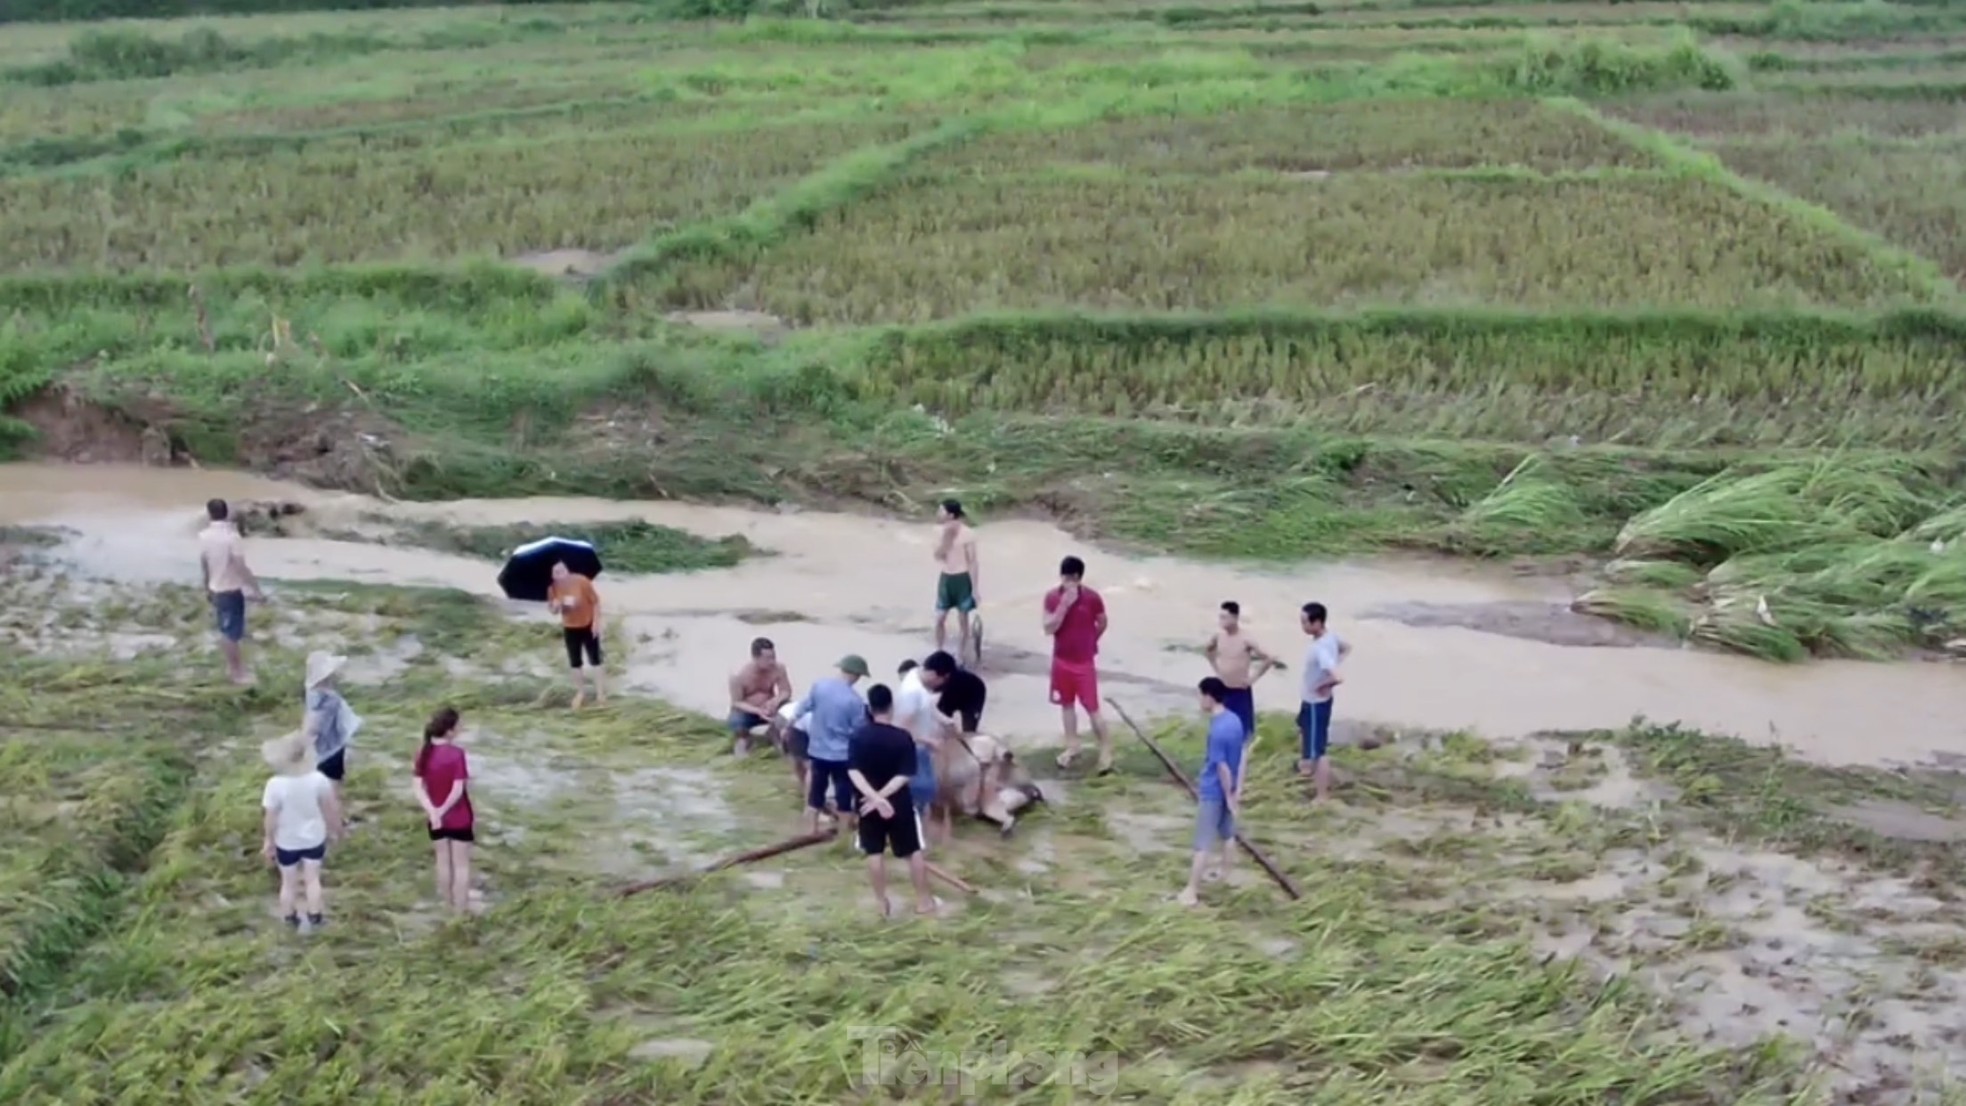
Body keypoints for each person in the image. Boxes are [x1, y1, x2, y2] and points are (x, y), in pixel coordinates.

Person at [848, 683, 935, 918]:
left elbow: (853, 772)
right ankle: (923, 901)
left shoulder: (858, 736)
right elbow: (904, 775)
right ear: (891, 707)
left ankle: (881, 903)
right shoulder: (902, 738)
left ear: (870, 707)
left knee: (874, 853)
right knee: (912, 852)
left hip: (867, 804)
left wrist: (874, 799)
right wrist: (884, 798)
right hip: (899, 802)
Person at [260, 729, 342, 932]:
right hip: (314, 838)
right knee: (312, 879)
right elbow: (330, 808)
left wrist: (268, 841)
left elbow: (270, 818)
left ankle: (289, 918)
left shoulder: (275, 785)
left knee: (288, 883)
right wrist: (336, 830)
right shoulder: (318, 780)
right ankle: (315, 917)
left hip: (286, 841)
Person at [1178, 677, 1249, 907]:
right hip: (1231, 788)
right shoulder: (1235, 720)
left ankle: (1191, 890)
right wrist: (1239, 788)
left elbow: (1221, 767)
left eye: (1200, 695)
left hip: (1214, 791)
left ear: (1209, 696)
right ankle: (1224, 874)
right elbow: (1242, 755)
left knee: (1203, 842)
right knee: (1228, 834)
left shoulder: (1218, 730)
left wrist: (1228, 796)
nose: (1199, 700)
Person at [787, 655, 871, 836]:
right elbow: (859, 731)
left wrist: (789, 725)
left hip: (818, 752)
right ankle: (843, 837)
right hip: (842, 756)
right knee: (844, 799)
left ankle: (810, 832)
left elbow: (801, 709)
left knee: (814, 798)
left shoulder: (820, 687)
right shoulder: (855, 701)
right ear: (856, 675)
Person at [1043, 555, 1111, 773]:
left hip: (1084, 663)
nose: (1068, 583)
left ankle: (1106, 751)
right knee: (1066, 704)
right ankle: (1073, 746)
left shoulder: (1092, 598)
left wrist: (1091, 640)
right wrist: (1064, 605)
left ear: (1079, 578)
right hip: (1061, 660)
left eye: (1072, 579)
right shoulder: (1052, 597)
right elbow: (1048, 628)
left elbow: (1102, 622)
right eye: (1065, 578)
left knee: (1093, 708)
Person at [414, 706, 475, 914]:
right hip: (459, 818)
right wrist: (442, 810)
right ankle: (461, 910)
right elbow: (458, 789)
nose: (461, 728)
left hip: (435, 820)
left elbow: (418, 787)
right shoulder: (456, 754)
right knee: (461, 866)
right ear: (449, 730)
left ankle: (447, 906)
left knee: (442, 861)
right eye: (459, 725)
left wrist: (433, 812)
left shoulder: (424, 752)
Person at [199, 498, 264, 685]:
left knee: (226, 629)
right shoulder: (232, 537)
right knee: (232, 633)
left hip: (216, 588)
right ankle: (237, 674)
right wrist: (256, 589)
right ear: (226, 513)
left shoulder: (204, 536)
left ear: (209, 514)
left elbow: (204, 564)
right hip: (231, 590)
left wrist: (206, 587)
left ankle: (233, 668)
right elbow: (240, 566)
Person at [1298, 602, 1351, 802]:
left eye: (1305, 622)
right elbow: (1347, 648)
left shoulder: (1320, 649)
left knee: (1319, 750)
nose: (1302, 626)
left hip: (1315, 703)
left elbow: (1338, 677)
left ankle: (1322, 795)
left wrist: (1323, 684)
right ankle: (1306, 766)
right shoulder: (1331, 637)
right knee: (1302, 727)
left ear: (1317, 622)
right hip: (1313, 701)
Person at [1204, 601, 1276, 741]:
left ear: (1235, 618)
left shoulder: (1246, 639)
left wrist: (1253, 679)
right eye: (1220, 617)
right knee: (1221, 728)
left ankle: (1241, 757)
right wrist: (1216, 668)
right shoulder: (1218, 636)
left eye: (1225, 617)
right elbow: (1208, 650)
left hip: (1239, 690)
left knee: (1242, 730)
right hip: (1222, 690)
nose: (1221, 621)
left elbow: (1268, 659)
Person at [894, 660, 948, 843]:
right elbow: (902, 727)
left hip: (921, 748)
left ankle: (919, 834)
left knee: (925, 792)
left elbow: (928, 708)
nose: (940, 685)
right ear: (934, 674)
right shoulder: (913, 692)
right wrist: (929, 741)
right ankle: (915, 838)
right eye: (942, 680)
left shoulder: (916, 677)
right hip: (914, 750)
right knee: (921, 791)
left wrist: (944, 720)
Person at [302, 651, 362, 813]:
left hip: (321, 748)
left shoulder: (311, 693)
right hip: (331, 749)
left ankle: (328, 814)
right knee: (333, 787)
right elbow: (315, 724)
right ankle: (336, 821)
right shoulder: (330, 700)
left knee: (327, 784)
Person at [547, 561, 606, 710]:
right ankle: (580, 692)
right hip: (570, 627)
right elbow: (552, 611)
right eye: (556, 573)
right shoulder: (553, 588)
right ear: (553, 575)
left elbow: (596, 602)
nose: (559, 575)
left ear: (567, 571)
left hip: (588, 623)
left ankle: (600, 693)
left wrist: (596, 623)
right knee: (575, 661)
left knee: (595, 659)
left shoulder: (581, 581)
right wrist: (556, 606)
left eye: (561, 571)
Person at [727, 637, 792, 757]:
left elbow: (786, 691)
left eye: (773, 657)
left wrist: (775, 701)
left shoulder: (778, 668)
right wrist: (757, 710)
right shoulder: (738, 674)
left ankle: (776, 737)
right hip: (747, 711)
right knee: (737, 721)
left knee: (789, 708)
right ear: (755, 658)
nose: (771, 661)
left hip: (770, 708)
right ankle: (743, 747)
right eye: (767, 658)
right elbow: (736, 702)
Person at [932, 500, 980, 661]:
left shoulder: (968, 533)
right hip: (946, 577)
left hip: (962, 577)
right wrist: (947, 538)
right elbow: (938, 556)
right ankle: (939, 650)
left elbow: (972, 561)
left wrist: (975, 589)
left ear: (951, 515)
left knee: (963, 619)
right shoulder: (938, 531)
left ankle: (961, 653)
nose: (938, 514)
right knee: (939, 618)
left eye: (941, 511)